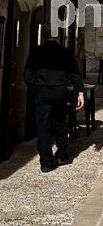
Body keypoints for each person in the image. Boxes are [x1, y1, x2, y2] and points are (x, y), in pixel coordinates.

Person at [24, 24, 84, 173]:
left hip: (42, 92)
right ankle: (62, 155)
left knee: (43, 127)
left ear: (43, 35)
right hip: (60, 91)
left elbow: (28, 75)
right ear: (56, 35)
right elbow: (75, 74)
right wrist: (80, 92)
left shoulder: (36, 53)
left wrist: (36, 88)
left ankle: (46, 163)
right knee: (60, 123)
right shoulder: (65, 52)